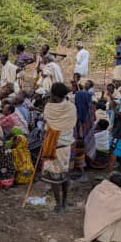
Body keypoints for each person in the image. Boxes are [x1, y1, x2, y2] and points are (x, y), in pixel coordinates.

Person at [41, 83, 77, 212]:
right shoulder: (71, 107)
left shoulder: (49, 108)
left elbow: (47, 126)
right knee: (65, 175)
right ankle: (65, 200)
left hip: (54, 147)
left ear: (54, 96)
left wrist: (51, 101)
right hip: (67, 147)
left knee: (55, 177)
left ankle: (59, 205)